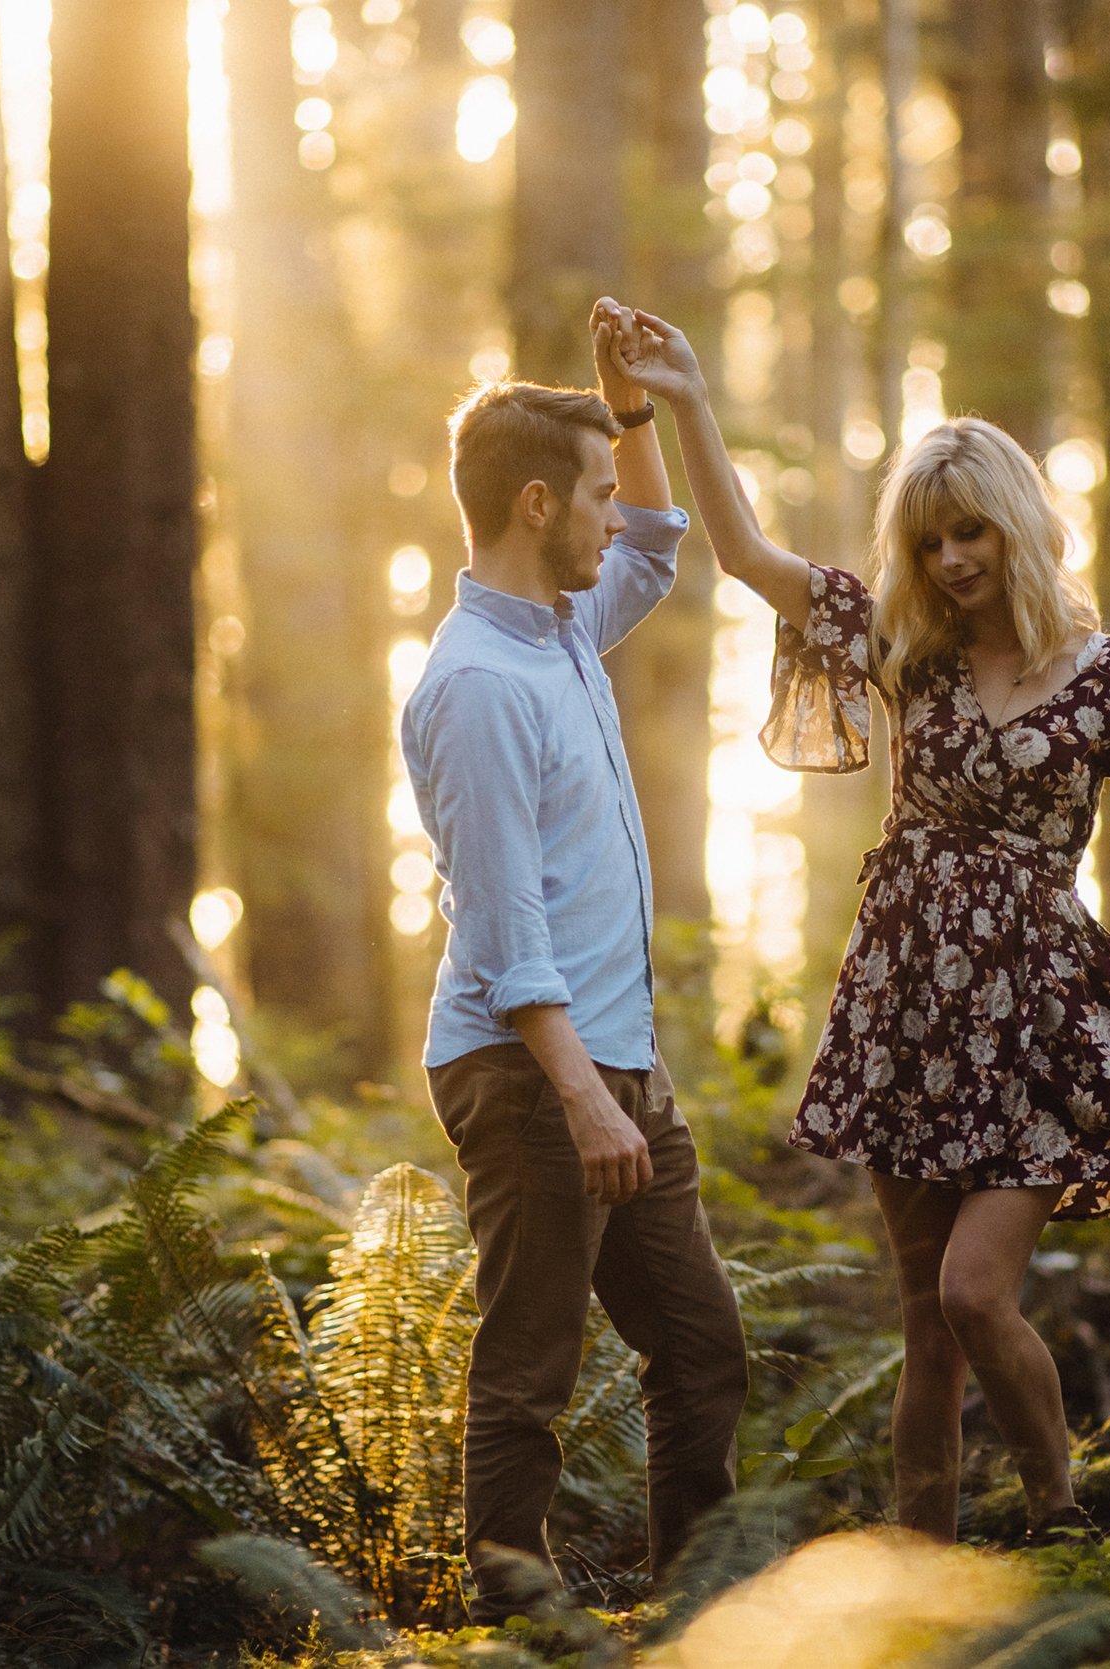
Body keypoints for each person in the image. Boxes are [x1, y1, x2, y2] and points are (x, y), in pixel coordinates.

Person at [611, 308, 1110, 1541]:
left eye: (971, 532)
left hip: (1039, 1013)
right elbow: (745, 557)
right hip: (907, 996)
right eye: (930, 539)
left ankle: (1059, 1510)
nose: (949, 560)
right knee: (922, 1318)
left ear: (1022, 525)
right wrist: (682, 402)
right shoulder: (908, 652)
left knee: (973, 1291)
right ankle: (921, 1565)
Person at [400, 302, 750, 1621]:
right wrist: (586, 1094)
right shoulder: (480, 683)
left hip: (613, 1063)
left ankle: (700, 1612)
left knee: (702, 1345)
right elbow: (503, 927)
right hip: (534, 1068)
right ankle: (514, 1626)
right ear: (536, 505)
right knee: (530, 1369)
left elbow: (655, 553)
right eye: (597, 491)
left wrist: (631, 403)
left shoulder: (554, 630)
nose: (618, 511)